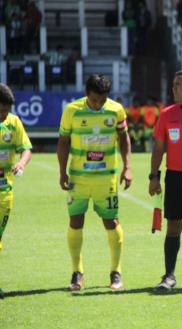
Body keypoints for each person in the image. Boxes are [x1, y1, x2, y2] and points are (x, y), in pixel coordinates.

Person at [57, 74, 132, 292]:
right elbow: (63, 142)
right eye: (93, 100)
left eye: (101, 100)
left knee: (111, 222)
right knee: (75, 221)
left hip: (106, 179)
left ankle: (116, 272)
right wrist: (62, 172)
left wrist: (127, 167)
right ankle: (77, 272)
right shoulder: (72, 110)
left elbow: (124, 138)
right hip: (78, 179)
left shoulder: (116, 110)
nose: (98, 105)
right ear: (86, 94)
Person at [149, 70, 182, 290]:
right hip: (176, 177)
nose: (173, 89)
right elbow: (159, 148)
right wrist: (154, 177)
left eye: (178, 85)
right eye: (173, 84)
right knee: (173, 227)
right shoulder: (167, 115)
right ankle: (169, 276)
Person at [0, 83, 32, 299]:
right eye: (1, 110)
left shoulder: (13, 123)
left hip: (4, 192)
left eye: (7, 110)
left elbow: (26, 149)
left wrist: (21, 163)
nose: (5, 115)